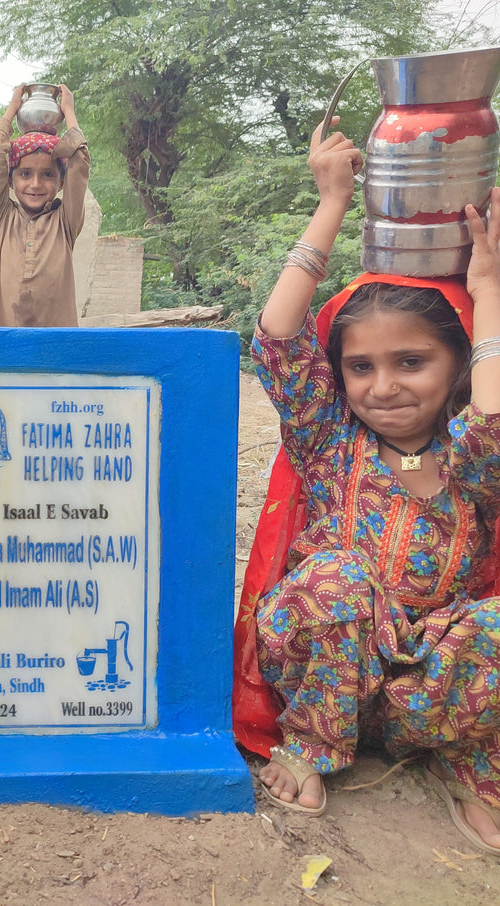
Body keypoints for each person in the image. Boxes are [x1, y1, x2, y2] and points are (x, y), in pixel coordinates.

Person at [234, 118, 500, 853]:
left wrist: (486, 287)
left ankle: (469, 760)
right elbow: (278, 342)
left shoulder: (473, 459)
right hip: (327, 674)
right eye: (361, 367)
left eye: (410, 363)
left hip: (429, 687)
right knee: (336, 581)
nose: (382, 387)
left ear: (458, 365)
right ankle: (313, 748)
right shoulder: (329, 441)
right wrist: (332, 206)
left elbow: (493, 419)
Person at [0, 83, 89, 328]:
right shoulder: (1, 219)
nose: (35, 184)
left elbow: (80, 160)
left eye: (48, 175)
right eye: (25, 174)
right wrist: (12, 108)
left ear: (62, 182)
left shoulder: (64, 222)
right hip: (2, 343)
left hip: (54, 348)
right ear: (10, 179)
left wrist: (69, 112)